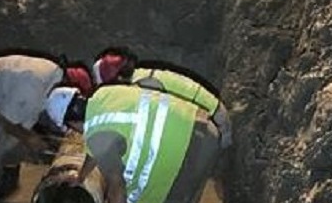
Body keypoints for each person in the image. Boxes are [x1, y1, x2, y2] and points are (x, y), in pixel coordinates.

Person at [44, 83, 221, 203]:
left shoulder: (99, 135)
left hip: (194, 147)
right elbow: (98, 144)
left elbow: (117, 191)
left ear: (71, 124)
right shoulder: (104, 95)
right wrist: (81, 177)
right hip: (198, 122)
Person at [0, 52, 93, 200]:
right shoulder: (34, 84)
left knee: (13, 143)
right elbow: (4, 119)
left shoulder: (51, 80)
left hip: (0, 102)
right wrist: (28, 137)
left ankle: (8, 173)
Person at [90, 47, 232, 150]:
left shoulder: (141, 87)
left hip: (216, 124)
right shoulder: (141, 76)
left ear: (118, 79)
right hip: (214, 117)